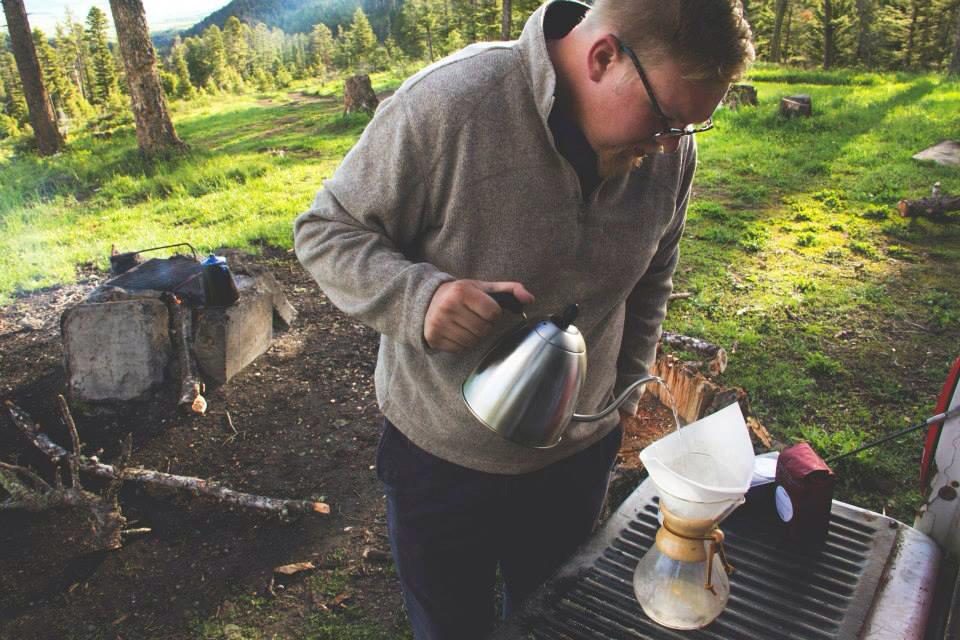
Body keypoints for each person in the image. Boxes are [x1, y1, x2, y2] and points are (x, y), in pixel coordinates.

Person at [294, 1, 754, 637]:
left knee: (552, 623)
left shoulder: (668, 150)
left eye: (690, 128)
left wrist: (621, 397)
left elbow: (653, 276)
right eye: (666, 119)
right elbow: (326, 232)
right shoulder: (451, 104)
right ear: (602, 58)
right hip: (440, 462)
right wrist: (417, 299)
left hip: (577, 463)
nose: (669, 145)